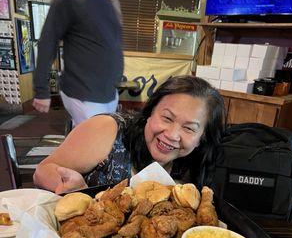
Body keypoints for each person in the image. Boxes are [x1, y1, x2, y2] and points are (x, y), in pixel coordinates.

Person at [33, 75, 226, 194]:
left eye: (189, 128)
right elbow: (42, 171)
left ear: (202, 137)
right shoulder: (108, 129)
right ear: (150, 113)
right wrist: (79, 192)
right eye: (167, 118)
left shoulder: (195, 164)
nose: (173, 135)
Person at [32, 0, 123, 126]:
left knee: (99, 141)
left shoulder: (113, 1)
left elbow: (113, 45)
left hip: (109, 93)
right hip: (83, 92)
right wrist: (41, 89)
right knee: (94, 145)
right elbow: (48, 42)